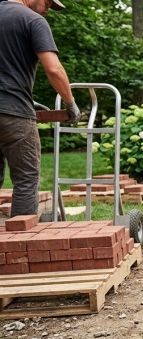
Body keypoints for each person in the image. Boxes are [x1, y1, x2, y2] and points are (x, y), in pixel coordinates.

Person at [0, 0, 79, 217]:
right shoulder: (33, 20)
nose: (46, 10)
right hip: (13, 113)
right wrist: (70, 103)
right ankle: (20, 247)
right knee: (26, 178)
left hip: (14, 102)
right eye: (46, 3)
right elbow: (53, 69)